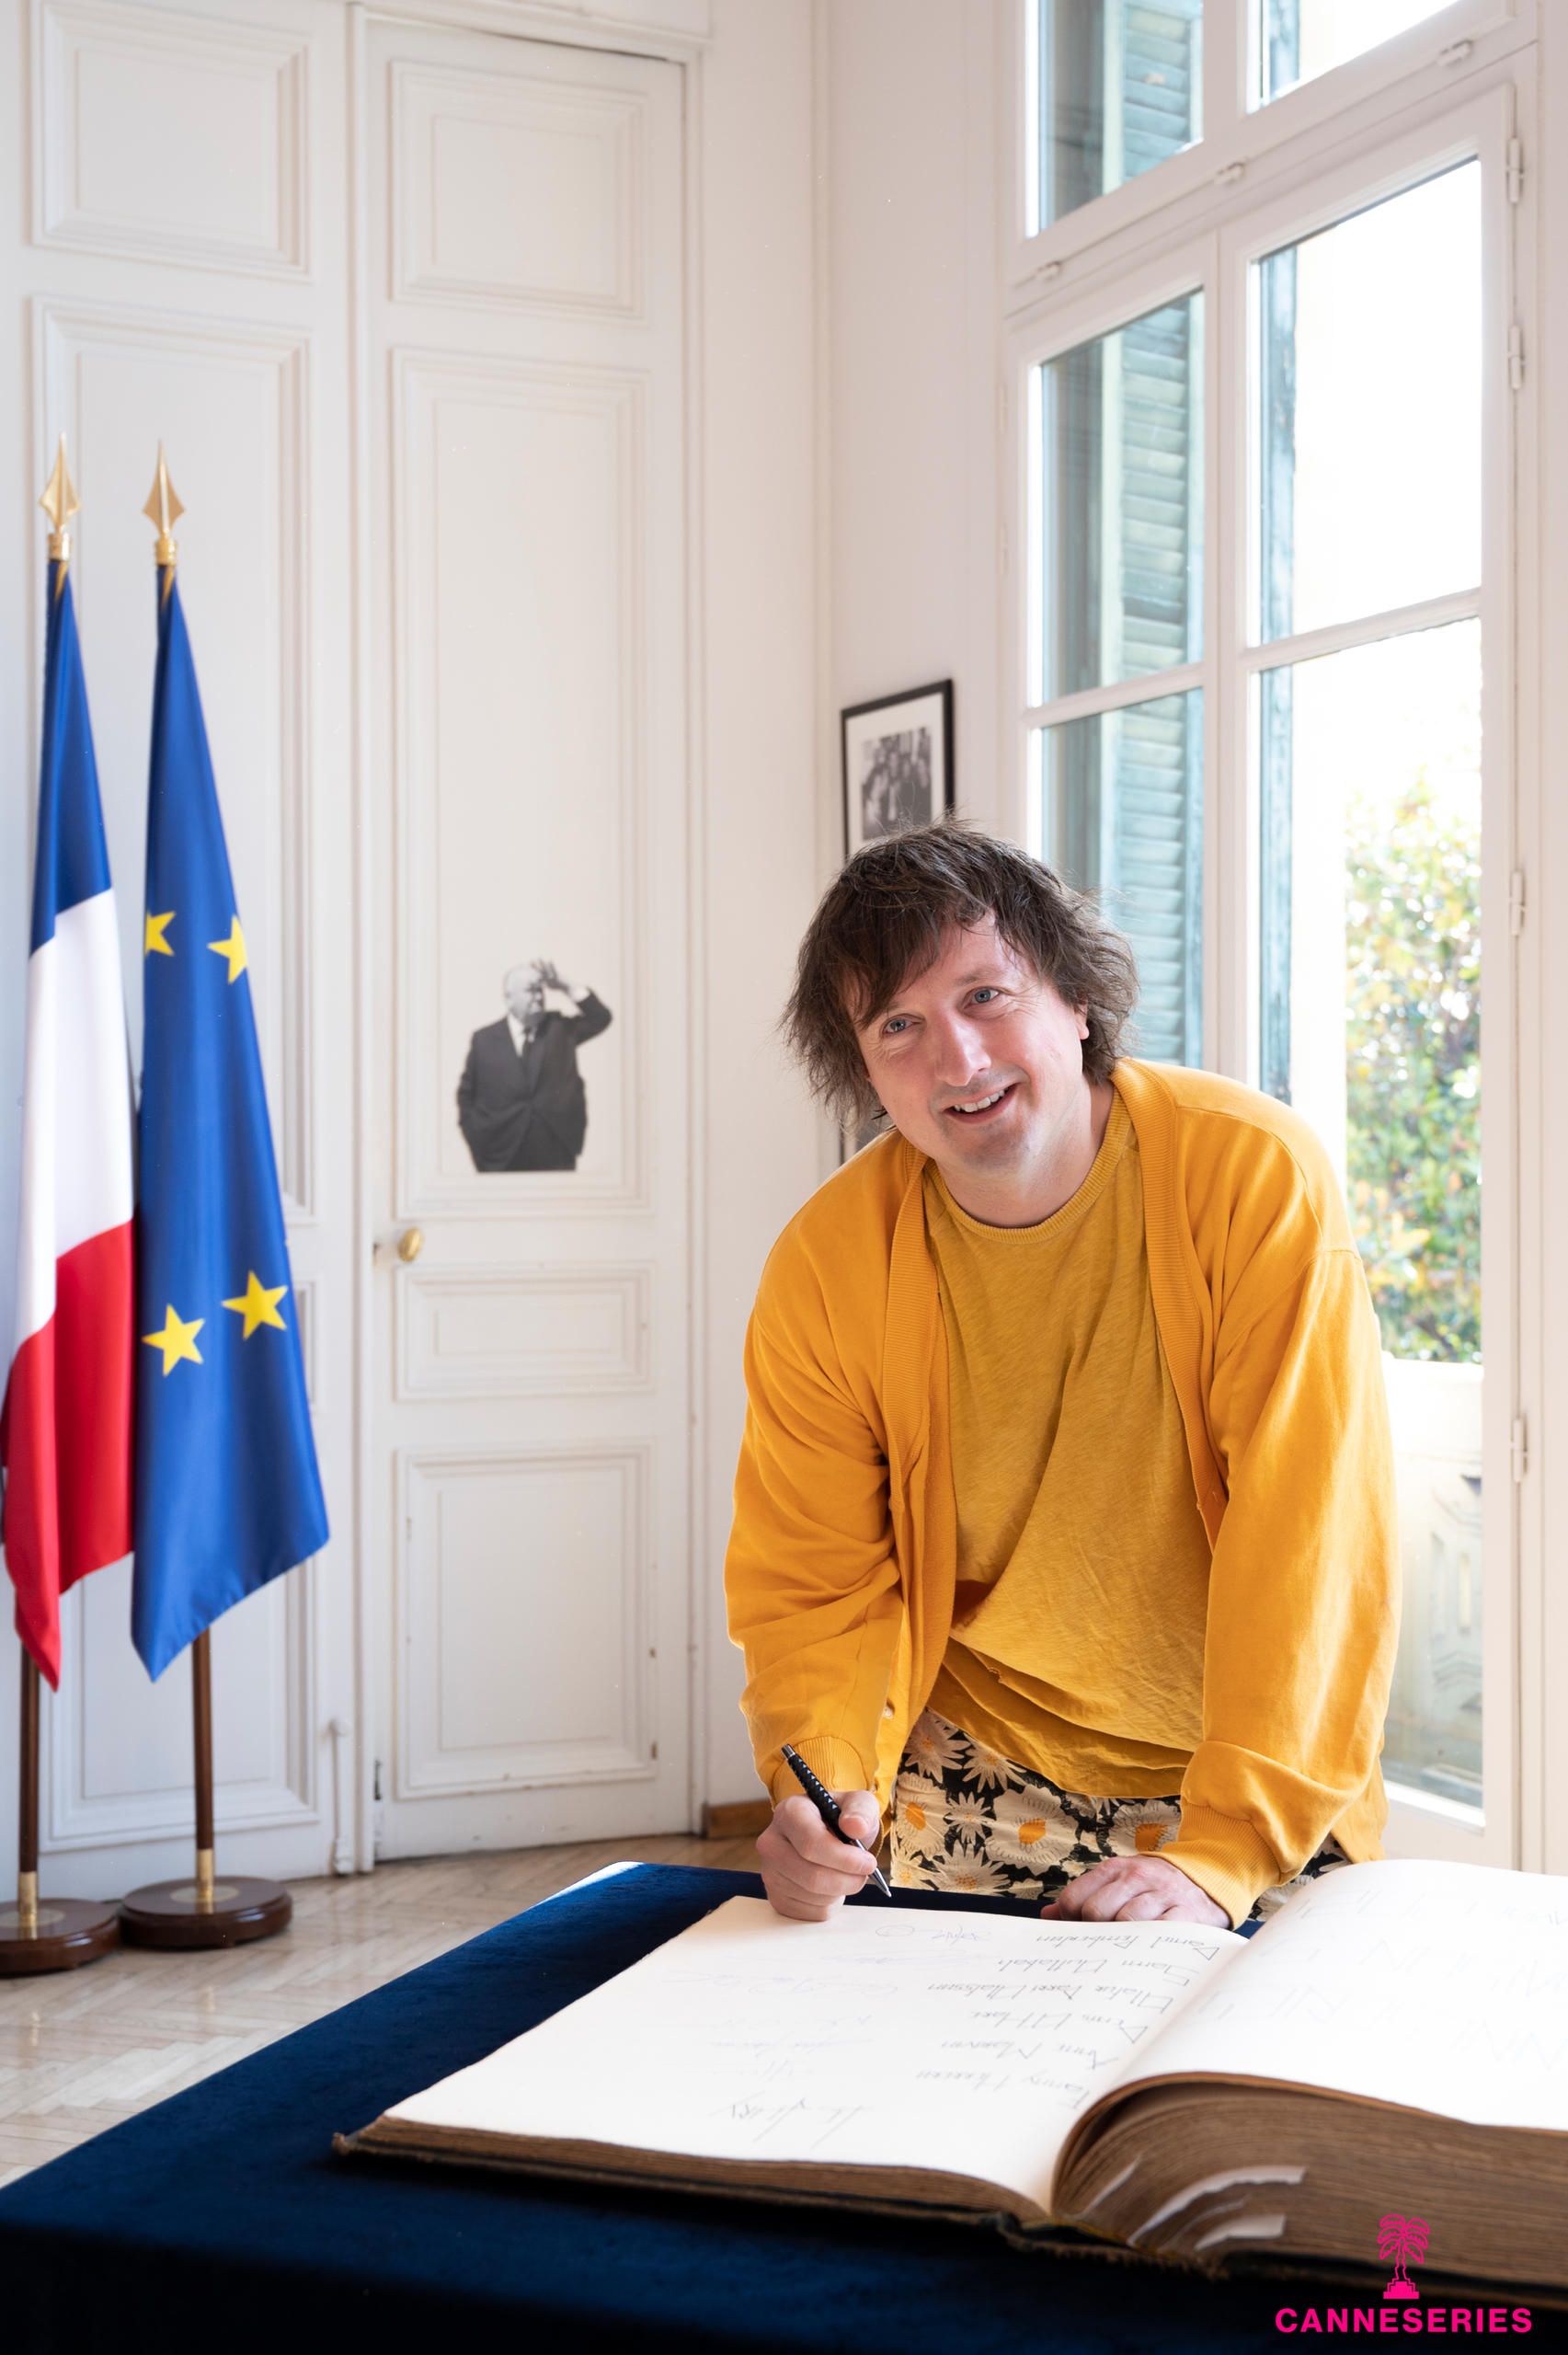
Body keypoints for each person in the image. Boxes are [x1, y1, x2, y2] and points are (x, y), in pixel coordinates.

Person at [725, 818, 1399, 1931]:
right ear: (864, 1071)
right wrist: (825, 1786)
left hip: (1246, 1765)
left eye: (985, 995)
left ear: (1076, 1001)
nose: (958, 1060)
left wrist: (1222, 1851)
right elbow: (813, 1581)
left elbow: (1312, 1536)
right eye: (898, 1025)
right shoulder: (824, 1264)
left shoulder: (1250, 1176)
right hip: (971, 1764)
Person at [456, 959, 612, 1172]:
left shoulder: (560, 1029)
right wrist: (477, 1140)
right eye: (531, 990)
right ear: (509, 998)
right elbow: (466, 1095)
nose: (539, 997)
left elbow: (601, 1018)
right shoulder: (484, 1040)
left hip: (556, 1151)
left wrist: (564, 985)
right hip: (499, 1155)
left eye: (540, 990)